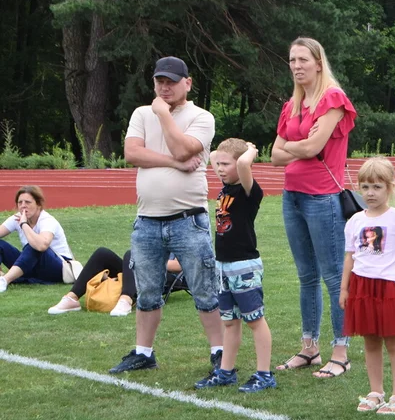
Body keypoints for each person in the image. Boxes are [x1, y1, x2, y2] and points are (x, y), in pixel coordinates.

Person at [108, 56, 223, 374]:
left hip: (188, 218)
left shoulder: (201, 116)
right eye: (160, 81)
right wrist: (173, 163)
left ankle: (219, 354)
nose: (165, 87)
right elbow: (132, 153)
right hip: (147, 219)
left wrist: (162, 114)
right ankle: (143, 353)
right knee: (146, 290)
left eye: (172, 81)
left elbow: (185, 147)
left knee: (204, 288)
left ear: (187, 83)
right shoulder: (141, 113)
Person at [272, 38, 357, 379]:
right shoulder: (291, 105)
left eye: (303, 59)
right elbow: (275, 155)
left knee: (335, 276)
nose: (296, 65)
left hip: (322, 198)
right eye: (292, 60)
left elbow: (314, 147)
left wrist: (296, 147)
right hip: (292, 196)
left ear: (319, 62)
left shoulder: (333, 99)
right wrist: (300, 146)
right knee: (306, 276)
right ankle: (309, 348)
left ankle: (341, 351)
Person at [342, 157, 395, 415]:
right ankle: (375, 392)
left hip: (389, 289)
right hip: (361, 288)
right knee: (370, 341)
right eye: (365, 186)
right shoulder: (355, 220)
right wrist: (344, 289)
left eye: (377, 187)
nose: (370, 193)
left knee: (393, 342)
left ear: (390, 187)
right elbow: (350, 256)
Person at [194, 139, 276, 393]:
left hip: (244, 265)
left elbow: (241, 163)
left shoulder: (249, 191)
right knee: (229, 322)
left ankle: (264, 374)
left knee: (255, 319)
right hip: (223, 266)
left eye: (225, 165)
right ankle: (226, 372)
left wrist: (251, 150)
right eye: (218, 165)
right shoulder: (226, 187)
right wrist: (225, 154)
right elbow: (216, 155)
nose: (219, 168)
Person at [47, 247, 182, 317]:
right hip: (142, 268)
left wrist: (147, 262)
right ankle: (72, 298)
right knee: (102, 254)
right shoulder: (158, 223)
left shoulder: (186, 227)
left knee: (133, 255)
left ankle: (125, 300)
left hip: (168, 277)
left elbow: (182, 265)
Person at [0, 186, 80, 292]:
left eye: (28, 202)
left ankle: (5, 280)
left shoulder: (47, 220)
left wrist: (24, 224)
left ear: (38, 204)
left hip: (58, 268)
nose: (23, 206)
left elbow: (41, 246)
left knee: (34, 245)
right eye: (20, 203)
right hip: (32, 265)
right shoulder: (16, 218)